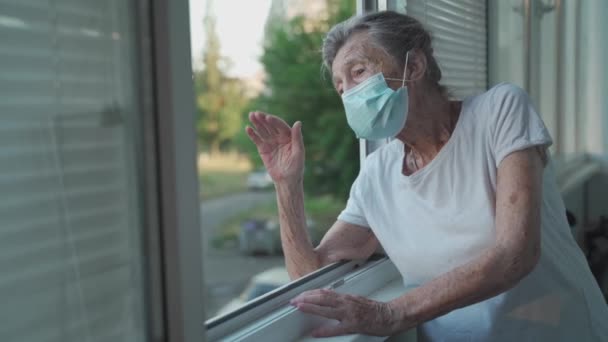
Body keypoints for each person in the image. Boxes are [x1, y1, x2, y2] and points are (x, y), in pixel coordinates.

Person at [245, 10, 608, 341]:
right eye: (341, 87)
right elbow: (309, 275)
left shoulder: (500, 111)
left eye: (358, 72)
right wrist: (287, 185)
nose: (350, 94)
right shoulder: (376, 175)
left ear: (414, 66)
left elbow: (515, 255)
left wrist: (389, 313)